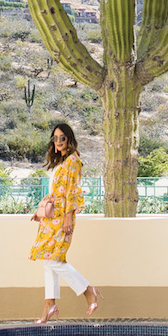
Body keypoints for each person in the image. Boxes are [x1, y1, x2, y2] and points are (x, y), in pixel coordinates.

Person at [29, 123, 102, 324]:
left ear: (69, 139)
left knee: (54, 260)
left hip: (62, 218)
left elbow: (74, 191)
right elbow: (55, 192)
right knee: (48, 259)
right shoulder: (60, 163)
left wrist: (68, 217)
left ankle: (88, 290)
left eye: (62, 138)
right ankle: (49, 303)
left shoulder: (73, 161)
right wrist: (40, 211)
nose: (59, 142)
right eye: (55, 138)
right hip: (51, 218)